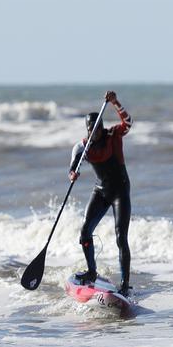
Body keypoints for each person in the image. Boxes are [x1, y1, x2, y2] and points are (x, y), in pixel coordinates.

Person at [69, 90, 133, 296]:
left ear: (101, 127)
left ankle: (125, 284)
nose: (93, 133)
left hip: (120, 191)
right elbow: (74, 161)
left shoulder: (113, 134)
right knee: (85, 233)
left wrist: (115, 102)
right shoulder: (84, 146)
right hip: (101, 191)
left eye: (96, 129)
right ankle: (91, 272)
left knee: (120, 237)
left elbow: (129, 123)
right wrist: (72, 173)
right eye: (90, 130)